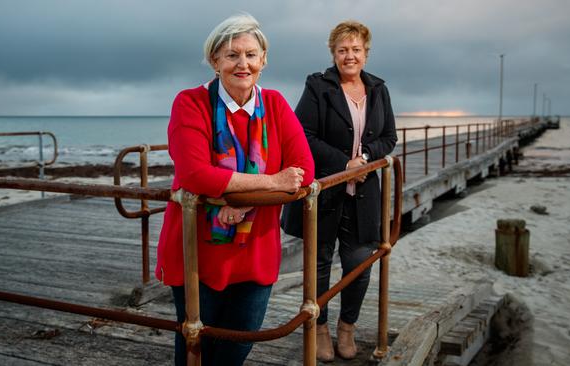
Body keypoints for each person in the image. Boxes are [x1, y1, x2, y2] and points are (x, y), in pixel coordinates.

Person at [155, 13, 314, 366]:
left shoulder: (274, 103)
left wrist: (239, 204)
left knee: (238, 346)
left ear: (263, 60)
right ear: (215, 61)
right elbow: (196, 174)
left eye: (251, 55)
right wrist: (272, 182)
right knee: (195, 347)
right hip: (199, 251)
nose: (243, 64)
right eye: (231, 55)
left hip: (255, 250)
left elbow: (304, 170)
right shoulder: (190, 103)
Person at [281, 20, 397, 361]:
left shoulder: (378, 89)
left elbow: (389, 137)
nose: (350, 56)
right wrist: (342, 164)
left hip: (364, 194)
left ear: (366, 53)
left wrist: (363, 158)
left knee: (359, 263)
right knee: (319, 263)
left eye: (356, 50)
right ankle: (320, 329)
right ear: (333, 53)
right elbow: (303, 134)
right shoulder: (318, 86)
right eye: (343, 50)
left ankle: (348, 327)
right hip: (325, 190)